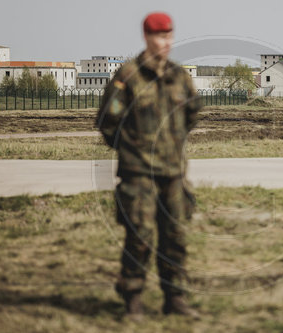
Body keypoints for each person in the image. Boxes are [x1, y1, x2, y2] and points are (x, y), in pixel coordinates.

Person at [95, 12, 203, 321]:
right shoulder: (128, 76)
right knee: (139, 236)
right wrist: (133, 151)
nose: (165, 42)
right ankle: (133, 300)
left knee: (175, 236)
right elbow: (107, 123)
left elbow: (191, 115)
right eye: (159, 36)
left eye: (169, 36)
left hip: (173, 174)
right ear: (146, 37)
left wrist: (172, 147)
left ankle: (175, 298)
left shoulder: (180, 77)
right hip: (138, 173)